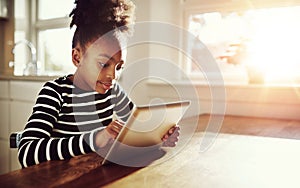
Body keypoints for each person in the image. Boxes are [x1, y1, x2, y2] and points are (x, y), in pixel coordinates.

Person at [18, 0, 179, 168]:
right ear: (77, 58)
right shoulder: (55, 93)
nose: (113, 75)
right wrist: (94, 139)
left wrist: (160, 136)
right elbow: (27, 152)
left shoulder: (113, 91)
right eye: (103, 64)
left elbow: (138, 129)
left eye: (119, 67)